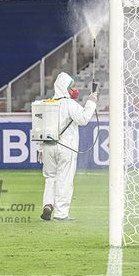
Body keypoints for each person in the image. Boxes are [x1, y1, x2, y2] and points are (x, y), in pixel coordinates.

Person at [39, 72, 97, 221]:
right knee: (65, 178)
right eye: (72, 87)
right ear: (66, 88)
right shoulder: (69, 104)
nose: (74, 90)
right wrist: (91, 102)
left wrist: (40, 149)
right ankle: (61, 213)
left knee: (50, 177)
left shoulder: (47, 104)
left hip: (47, 146)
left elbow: (40, 128)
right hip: (66, 147)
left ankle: (47, 204)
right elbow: (83, 119)